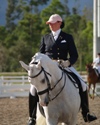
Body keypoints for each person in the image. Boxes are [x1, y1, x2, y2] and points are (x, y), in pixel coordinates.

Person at [28, 14, 97, 125]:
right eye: (49, 23)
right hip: (48, 68)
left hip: (64, 66)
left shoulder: (67, 37)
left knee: (83, 85)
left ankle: (86, 113)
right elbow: (41, 54)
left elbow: (74, 55)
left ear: (59, 23)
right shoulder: (45, 37)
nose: (50, 25)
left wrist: (68, 62)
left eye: (52, 23)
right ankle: (32, 117)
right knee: (32, 89)